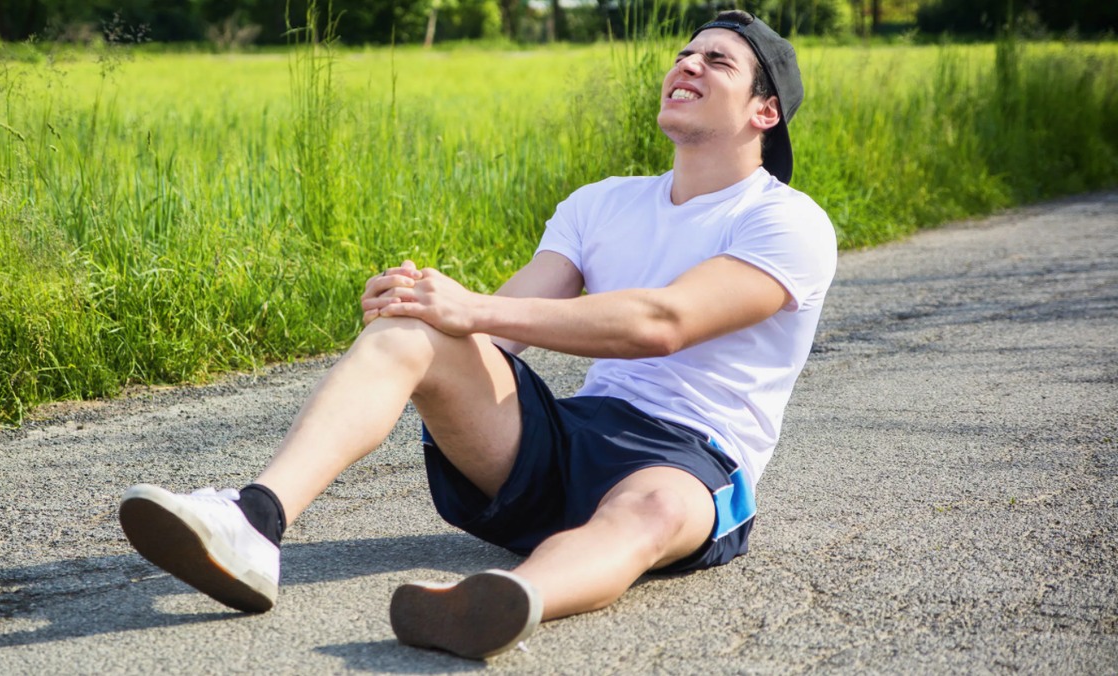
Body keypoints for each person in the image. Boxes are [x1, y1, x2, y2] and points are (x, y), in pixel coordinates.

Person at [118, 10, 836, 660]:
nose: (687, 65)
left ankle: (510, 598)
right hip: (566, 440)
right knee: (415, 331)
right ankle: (254, 520)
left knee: (649, 510)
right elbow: (501, 332)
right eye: (685, 53)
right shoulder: (602, 204)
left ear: (764, 111)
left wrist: (471, 310)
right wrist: (424, 311)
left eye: (718, 61)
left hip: (692, 457)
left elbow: (664, 323)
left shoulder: (787, 222)